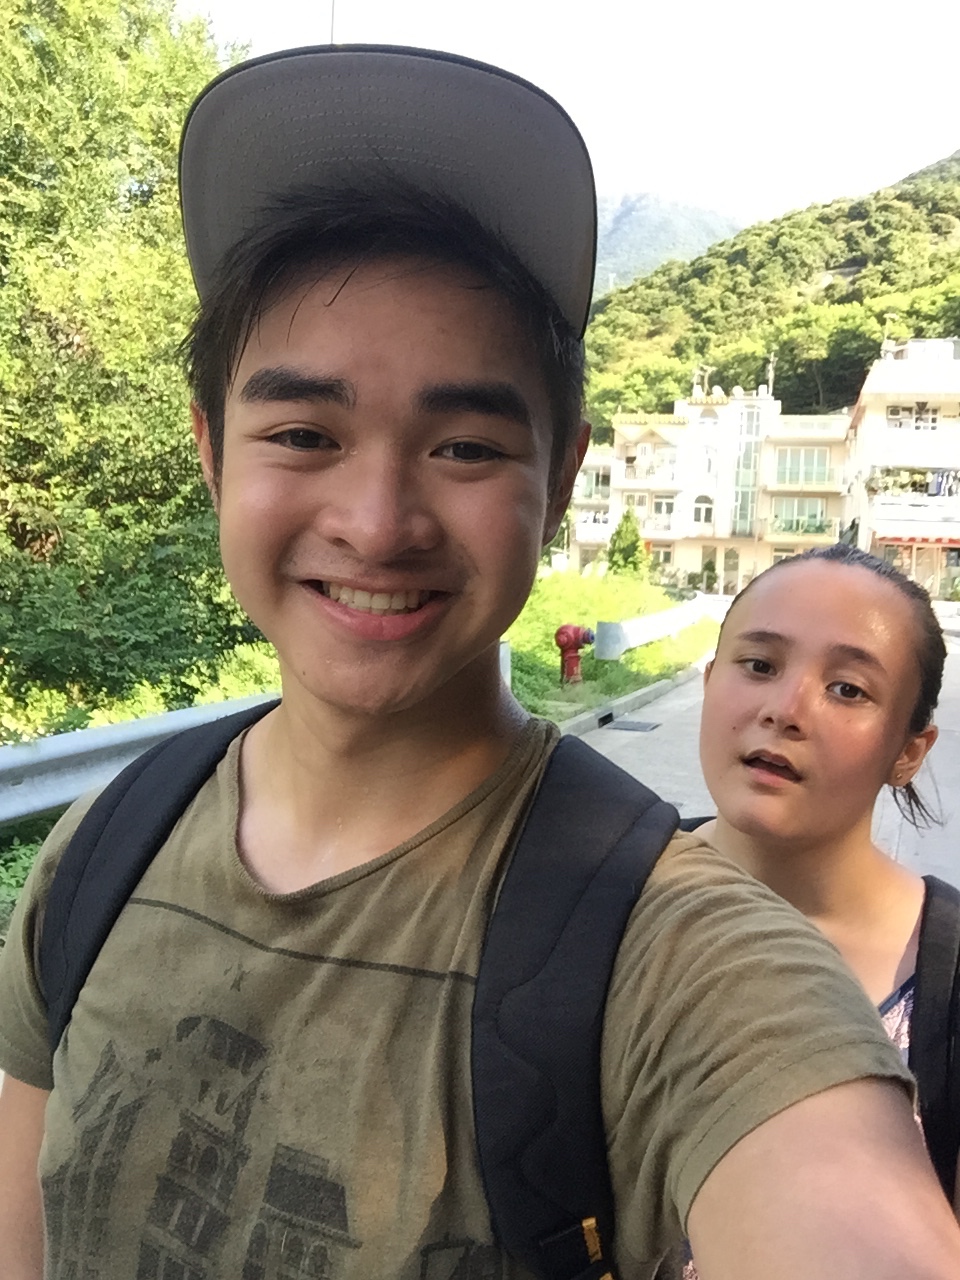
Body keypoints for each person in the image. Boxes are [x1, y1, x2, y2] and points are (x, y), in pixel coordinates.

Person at [0, 46, 958, 1280]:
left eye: (462, 446)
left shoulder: (679, 952)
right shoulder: (101, 849)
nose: (377, 521)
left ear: (559, 481)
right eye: (304, 432)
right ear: (212, 450)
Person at [663, 542, 954, 1278]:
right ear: (709, 682)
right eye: (759, 665)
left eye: (849, 689)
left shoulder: (946, 976)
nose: (784, 710)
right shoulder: (592, 897)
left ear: (910, 750)